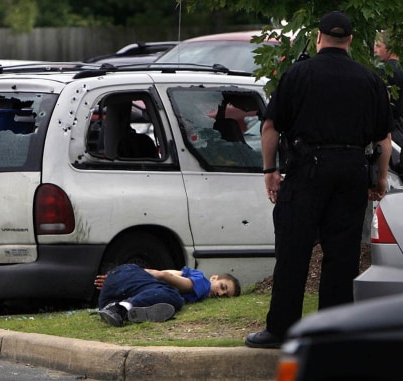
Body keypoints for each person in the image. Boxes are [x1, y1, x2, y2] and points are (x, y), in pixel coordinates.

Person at [245, 11, 393, 349]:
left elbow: (270, 127)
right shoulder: (369, 80)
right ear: (351, 40)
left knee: (293, 250)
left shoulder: (298, 74)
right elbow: (383, 140)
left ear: (319, 37)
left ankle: (281, 330)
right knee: (342, 256)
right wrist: (379, 180)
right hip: (351, 170)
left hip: (307, 169)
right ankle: (334, 333)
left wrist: (270, 171)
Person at [94, 263, 241, 327]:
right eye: (223, 287)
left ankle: (115, 310)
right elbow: (163, 275)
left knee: (166, 294)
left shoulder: (187, 273)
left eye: (225, 295)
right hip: (129, 276)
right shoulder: (204, 284)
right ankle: (121, 309)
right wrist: (130, 276)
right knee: (174, 297)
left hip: (114, 289)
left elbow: (164, 273)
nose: (220, 293)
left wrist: (120, 277)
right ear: (214, 278)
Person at [374, 31, 403, 147]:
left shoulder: (384, 72)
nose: (374, 49)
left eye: (378, 46)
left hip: (389, 131)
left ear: (390, 48)